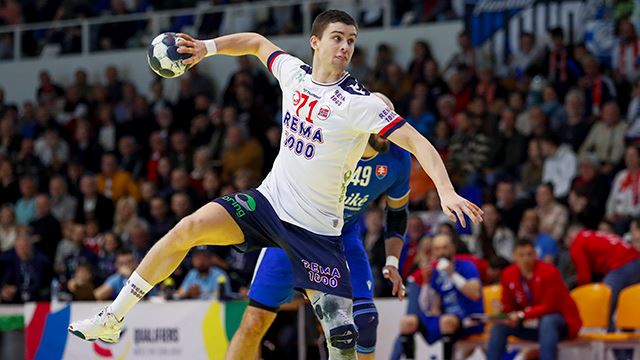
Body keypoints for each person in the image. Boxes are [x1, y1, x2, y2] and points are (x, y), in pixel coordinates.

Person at [68, 11, 482, 360]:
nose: (345, 47)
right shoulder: (294, 74)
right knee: (187, 229)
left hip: (318, 232)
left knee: (343, 339)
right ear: (315, 42)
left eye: (351, 41)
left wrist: (445, 190)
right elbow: (254, 41)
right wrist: (205, 48)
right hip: (268, 205)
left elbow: (416, 141)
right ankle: (113, 317)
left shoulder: (361, 104)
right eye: (337, 38)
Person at [231, 93, 410, 359]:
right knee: (254, 323)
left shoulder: (398, 159)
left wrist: (392, 261)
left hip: (342, 237)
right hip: (293, 232)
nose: (386, 127)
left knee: (365, 321)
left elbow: (397, 213)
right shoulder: (332, 142)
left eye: (390, 120)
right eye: (379, 120)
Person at [392, 233, 483, 360]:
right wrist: (426, 283)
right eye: (437, 249)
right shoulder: (434, 272)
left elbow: (475, 294)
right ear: (433, 252)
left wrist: (452, 274)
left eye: (445, 247)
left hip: (468, 318)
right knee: (407, 322)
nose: (441, 252)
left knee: (446, 321)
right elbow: (426, 307)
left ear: (452, 248)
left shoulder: (467, 266)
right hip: (444, 319)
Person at [487, 239, 582, 360]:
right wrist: (502, 309)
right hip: (532, 325)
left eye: (529, 254)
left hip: (562, 325)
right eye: (521, 255)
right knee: (499, 327)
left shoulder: (549, 272)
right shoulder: (508, 274)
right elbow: (509, 306)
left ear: (536, 255)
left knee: (548, 321)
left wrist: (521, 315)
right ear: (514, 256)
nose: (526, 259)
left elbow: (550, 306)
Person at [566, 227, 640, 330]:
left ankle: (607, 341)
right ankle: (626, 342)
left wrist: (582, 293)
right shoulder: (593, 234)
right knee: (627, 305)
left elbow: (584, 274)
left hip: (621, 265)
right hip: (636, 260)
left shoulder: (577, 243)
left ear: (569, 238)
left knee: (605, 305)